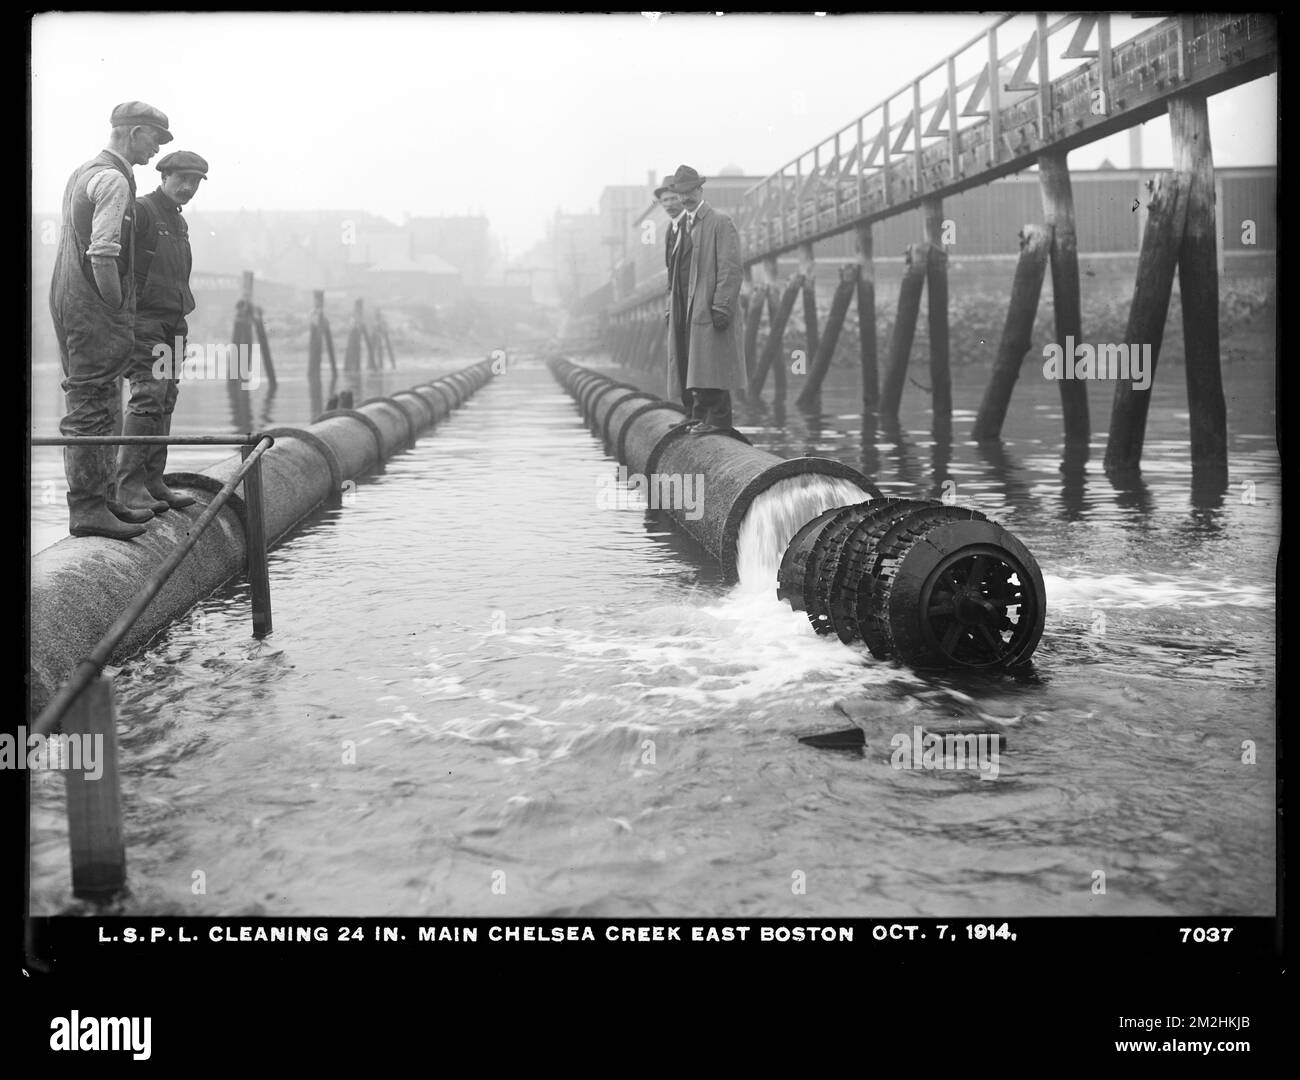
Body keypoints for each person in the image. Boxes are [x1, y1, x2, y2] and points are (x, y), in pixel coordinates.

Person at [50, 101, 172, 539]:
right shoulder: (114, 178)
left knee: (99, 402)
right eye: (154, 139)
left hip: (70, 299)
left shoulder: (83, 172)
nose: (156, 149)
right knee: (90, 408)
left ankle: (104, 501)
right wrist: (117, 307)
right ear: (134, 131)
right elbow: (102, 254)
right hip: (93, 306)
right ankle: (87, 510)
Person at [115, 150, 208, 513]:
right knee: (148, 396)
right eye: (181, 179)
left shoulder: (178, 220)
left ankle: (154, 481)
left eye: (195, 182)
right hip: (144, 320)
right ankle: (128, 486)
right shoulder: (140, 211)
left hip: (173, 321)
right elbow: (113, 259)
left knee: (166, 397)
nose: (188, 187)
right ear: (164, 177)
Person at [662, 165, 747, 435]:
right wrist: (670, 308)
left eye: (690, 191)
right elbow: (673, 274)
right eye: (681, 193)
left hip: (708, 306)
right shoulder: (680, 227)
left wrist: (722, 306)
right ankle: (697, 416)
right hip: (685, 306)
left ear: (700, 190)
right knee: (691, 361)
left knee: (713, 361)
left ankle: (719, 421)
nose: (686, 197)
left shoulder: (720, 222)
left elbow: (731, 268)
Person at [653, 176, 691, 418]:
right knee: (681, 360)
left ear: (682, 197)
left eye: (672, 198)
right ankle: (690, 414)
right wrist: (669, 306)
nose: (668, 204)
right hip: (676, 302)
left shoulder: (693, 224)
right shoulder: (671, 228)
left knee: (696, 359)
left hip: (692, 302)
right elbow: (671, 271)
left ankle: (704, 416)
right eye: (664, 200)